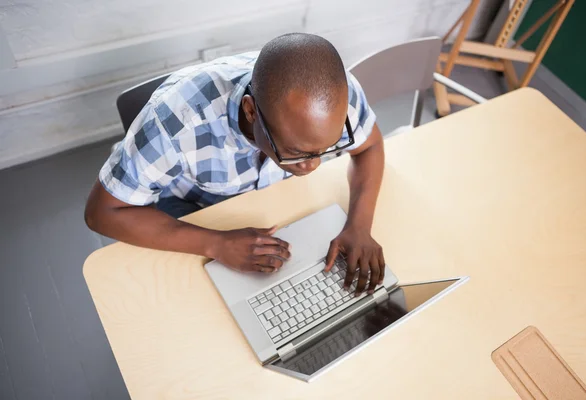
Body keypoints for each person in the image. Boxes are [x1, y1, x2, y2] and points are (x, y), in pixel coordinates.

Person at [85, 33, 386, 296]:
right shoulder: (174, 124)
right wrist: (215, 245)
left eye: (327, 148)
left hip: (267, 200)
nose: (313, 166)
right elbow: (102, 213)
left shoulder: (336, 93)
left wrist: (359, 225)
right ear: (250, 110)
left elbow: (369, 146)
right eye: (297, 152)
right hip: (189, 207)